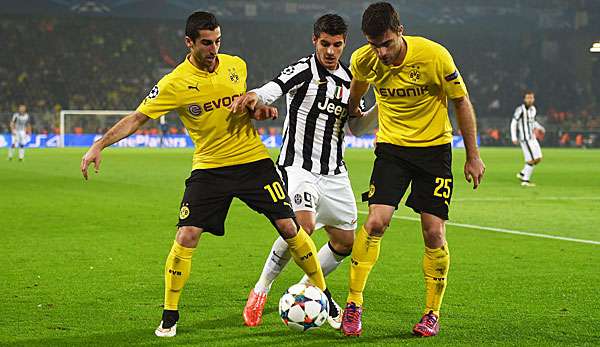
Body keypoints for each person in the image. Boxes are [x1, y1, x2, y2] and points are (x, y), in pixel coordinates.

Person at [80, 11, 332, 338]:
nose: (213, 49)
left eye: (217, 42)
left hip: (252, 161)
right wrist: (99, 144)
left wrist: (261, 111)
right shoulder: (174, 83)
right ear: (189, 43)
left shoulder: (235, 66)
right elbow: (137, 118)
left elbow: (247, 108)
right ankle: (169, 316)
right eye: (206, 43)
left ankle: (324, 294)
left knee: (290, 226)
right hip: (210, 168)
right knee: (187, 235)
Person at [340, 2, 485, 337]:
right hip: (392, 149)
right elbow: (356, 92)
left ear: (400, 31)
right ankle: (353, 304)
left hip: (434, 152)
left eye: (387, 43)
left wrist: (473, 155)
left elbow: (461, 101)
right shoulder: (364, 60)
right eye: (374, 45)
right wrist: (352, 113)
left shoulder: (435, 56)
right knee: (376, 221)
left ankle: (432, 313)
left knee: (433, 232)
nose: (381, 52)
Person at [230, 14, 378, 330]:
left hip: (335, 172)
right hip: (298, 167)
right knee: (303, 226)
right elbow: (274, 87)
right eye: (325, 44)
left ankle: (307, 291)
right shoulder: (303, 70)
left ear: (344, 45)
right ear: (315, 41)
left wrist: (381, 109)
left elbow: (356, 127)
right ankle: (262, 288)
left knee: (345, 242)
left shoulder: (352, 80)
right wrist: (256, 95)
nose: (330, 51)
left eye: (337, 45)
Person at [511, 90, 543, 187]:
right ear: (524, 99)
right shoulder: (520, 110)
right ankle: (525, 180)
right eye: (528, 98)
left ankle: (522, 174)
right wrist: (514, 136)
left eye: (531, 98)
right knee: (532, 159)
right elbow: (513, 123)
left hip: (532, 138)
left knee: (538, 158)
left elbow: (532, 122)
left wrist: (540, 128)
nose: (530, 100)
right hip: (525, 138)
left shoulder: (533, 109)